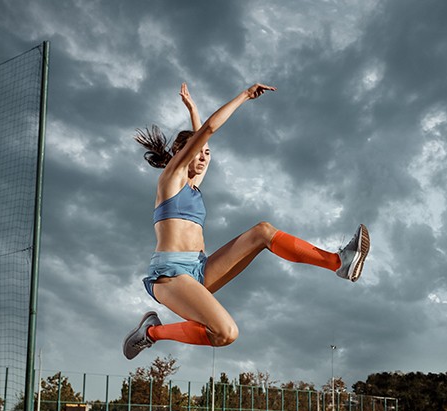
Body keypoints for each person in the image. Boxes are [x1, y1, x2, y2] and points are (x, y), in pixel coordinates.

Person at [123, 82, 370, 359]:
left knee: (262, 231)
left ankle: (339, 263)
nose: (204, 158)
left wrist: (193, 111)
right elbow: (207, 131)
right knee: (225, 333)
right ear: (183, 154)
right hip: (170, 275)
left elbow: (204, 137)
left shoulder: (193, 184)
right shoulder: (171, 179)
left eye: (208, 154)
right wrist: (243, 96)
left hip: (199, 269)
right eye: (199, 152)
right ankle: (151, 333)